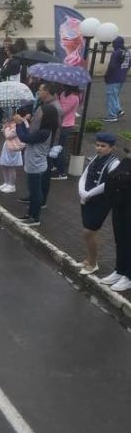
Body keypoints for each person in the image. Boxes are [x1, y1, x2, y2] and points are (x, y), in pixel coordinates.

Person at [16, 84, 60, 226]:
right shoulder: (43, 130)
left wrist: (19, 124)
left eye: (40, 114)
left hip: (36, 165)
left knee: (36, 192)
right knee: (34, 190)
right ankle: (30, 214)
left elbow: (25, 138)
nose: (37, 115)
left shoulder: (44, 132)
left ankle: (34, 217)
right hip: (34, 163)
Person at [78, 132, 121, 275]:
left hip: (100, 202)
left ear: (111, 148)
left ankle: (93, 263)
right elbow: (84, 174)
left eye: (103, 146)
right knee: (87, 232)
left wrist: (89, 194)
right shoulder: (96, 158)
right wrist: (82, 191)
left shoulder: (114, 163)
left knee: (89, 232)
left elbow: (108, 184)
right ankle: (88, 258)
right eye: (97, 145)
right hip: (86, 199)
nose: (99, 148)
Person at [100, 150, 131, 291]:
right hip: (121, 208)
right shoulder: (126, 162)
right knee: (121, 240)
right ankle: (120, 270)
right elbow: (112, 179)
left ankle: (129, 277)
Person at [52, 85, 80, 179]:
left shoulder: (74, 97)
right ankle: (56, 166)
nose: (62, 86)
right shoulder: (64, 94)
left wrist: (55, 101)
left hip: (66, 125)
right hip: (59, 124)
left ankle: (62, 173)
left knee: (61, 148)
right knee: (56, 146)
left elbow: (62, 111)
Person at [0, 115, 25, 195]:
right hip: (7, 146)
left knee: (11, 166)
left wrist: (6, 128)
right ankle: (6, 182)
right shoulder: (11, 125)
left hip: (14, 148)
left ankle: (11, 185)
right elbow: (5, 134)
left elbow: (8, 135)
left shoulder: (18, 126)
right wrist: (5, 127)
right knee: (4, 165)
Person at [103, 36, 129, 122]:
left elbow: (112, 67)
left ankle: (112, 116)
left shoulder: (116, 53)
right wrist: (123, 72)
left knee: (110, 96)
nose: (112, 45)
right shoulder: (127, 52)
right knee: (115, 95)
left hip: (113, 78)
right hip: (122, 78)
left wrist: (107, 75)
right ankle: (118, 110)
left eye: (113, 43)